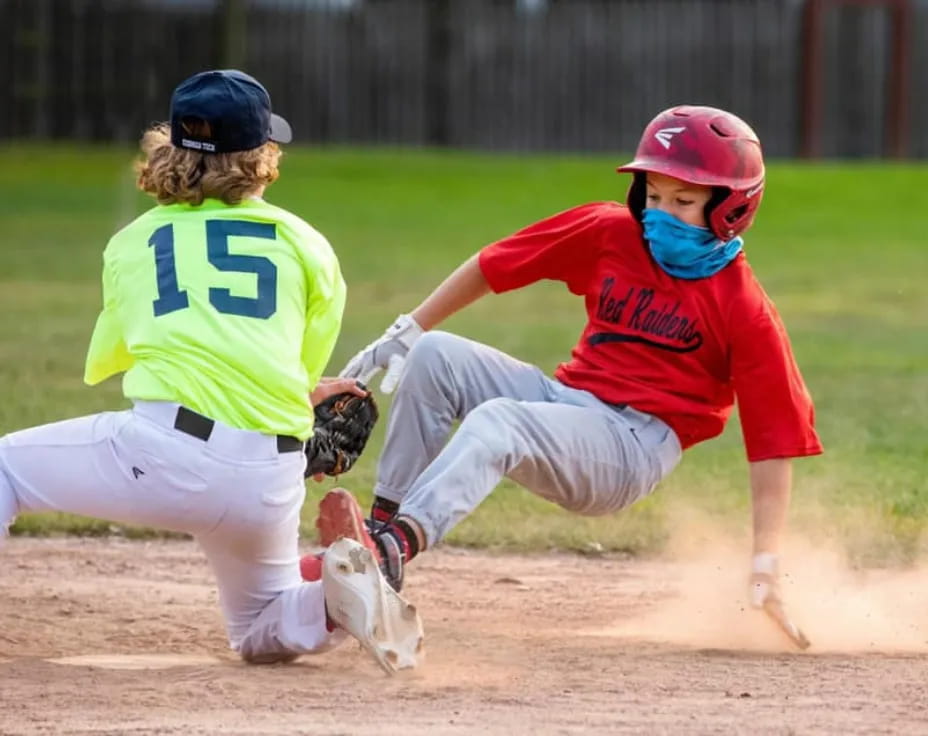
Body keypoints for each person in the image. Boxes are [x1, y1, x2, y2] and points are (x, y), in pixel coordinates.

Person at [317, 105, 823, 613]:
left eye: (684, 200)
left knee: (499, 423)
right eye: (653, 195)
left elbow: (773, 443)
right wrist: (410, 329)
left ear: (730, 209)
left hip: (632, 448)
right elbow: (496, 263)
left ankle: (390, 554)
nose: (661, 213)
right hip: (570, 401)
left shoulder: (744, 308)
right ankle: (381, 528)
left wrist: (765, 564)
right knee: (434, 355)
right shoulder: (614, 232)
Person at [0, 69, 422, 672]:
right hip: (269, 478)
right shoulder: (306, 243)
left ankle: (332, 598)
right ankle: (331, 601)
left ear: (170, 147)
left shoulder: (133, 243)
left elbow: (116, 355)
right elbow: (298, 376)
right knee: (259, 629)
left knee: (6, 468)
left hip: (164, 453)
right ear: (261, 156)